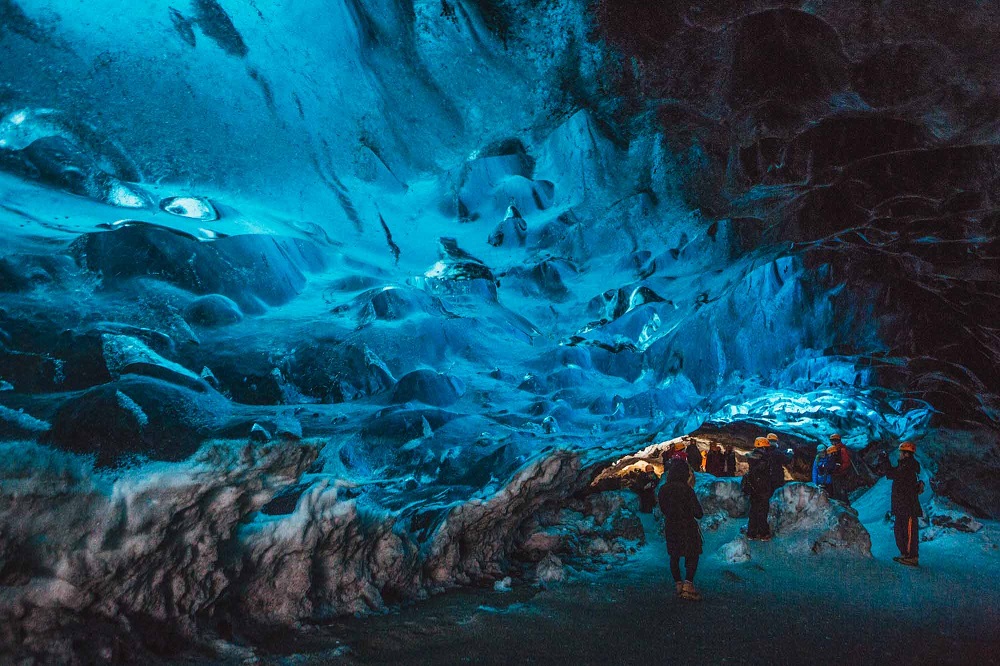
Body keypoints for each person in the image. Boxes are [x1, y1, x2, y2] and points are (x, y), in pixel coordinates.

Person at [658, 459, 705, 600]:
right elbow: (698, 513)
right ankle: (688, 585)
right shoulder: (687, 490)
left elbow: (663, 509)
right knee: (692, 554)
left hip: (671, 525)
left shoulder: (663, 489)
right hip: (687, 526)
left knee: (674, 555)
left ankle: (678, 584)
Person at [877, 441, 923, 567]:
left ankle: (912, 556)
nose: (899, 454)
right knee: (900, 530)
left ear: (906, 454)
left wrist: (884, 460)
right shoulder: (905, 465)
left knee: (908, 532)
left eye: (900, 452)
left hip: (908, 506)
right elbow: (893, 473)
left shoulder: (908, 467)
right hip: (902, 505)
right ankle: (905, 553)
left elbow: (892, 474)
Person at [741, 439, 775, 540]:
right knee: (762, 512)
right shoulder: (764, 459)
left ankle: (751, 533)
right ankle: (763, 533)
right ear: (764, 447)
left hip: (754, 489)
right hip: (762, 490)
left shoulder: (753, 458)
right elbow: (765, 476)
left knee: (753, 511)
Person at [827, 434, 852, 504]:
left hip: (842, 473)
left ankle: (846, 505)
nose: (832, 442)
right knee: (839, 491)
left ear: (837, 441)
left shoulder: (841, 450)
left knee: (842, 491)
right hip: (838, 473)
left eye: (834, 441)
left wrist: (839, 469)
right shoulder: (835, 450)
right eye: (832, 441)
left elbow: (846, 462)